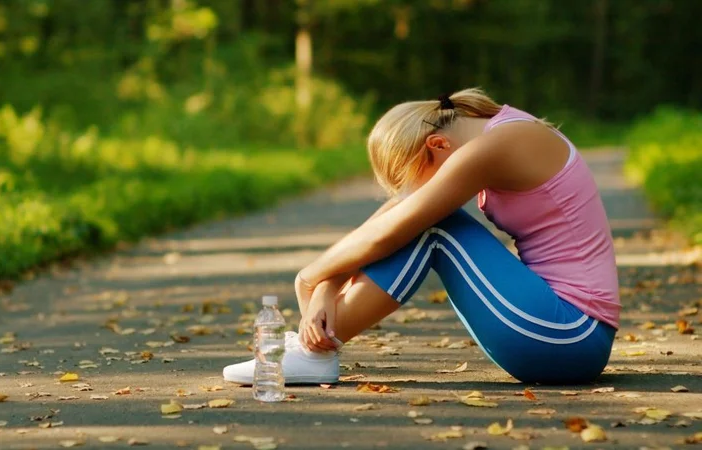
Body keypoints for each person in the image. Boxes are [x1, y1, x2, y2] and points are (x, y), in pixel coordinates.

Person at [223, 87, 619, 385]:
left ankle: (316, 352)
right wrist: (327, 284)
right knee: (425, 220)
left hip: (571, 335)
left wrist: (309, 277)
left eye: (422, 178)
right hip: (555, 330)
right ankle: (315, 345)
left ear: (437, 144)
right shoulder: (494, 132)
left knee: (433, 225)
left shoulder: (498, 144)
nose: (426, 190)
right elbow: (389, 217)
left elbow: (400, 225)